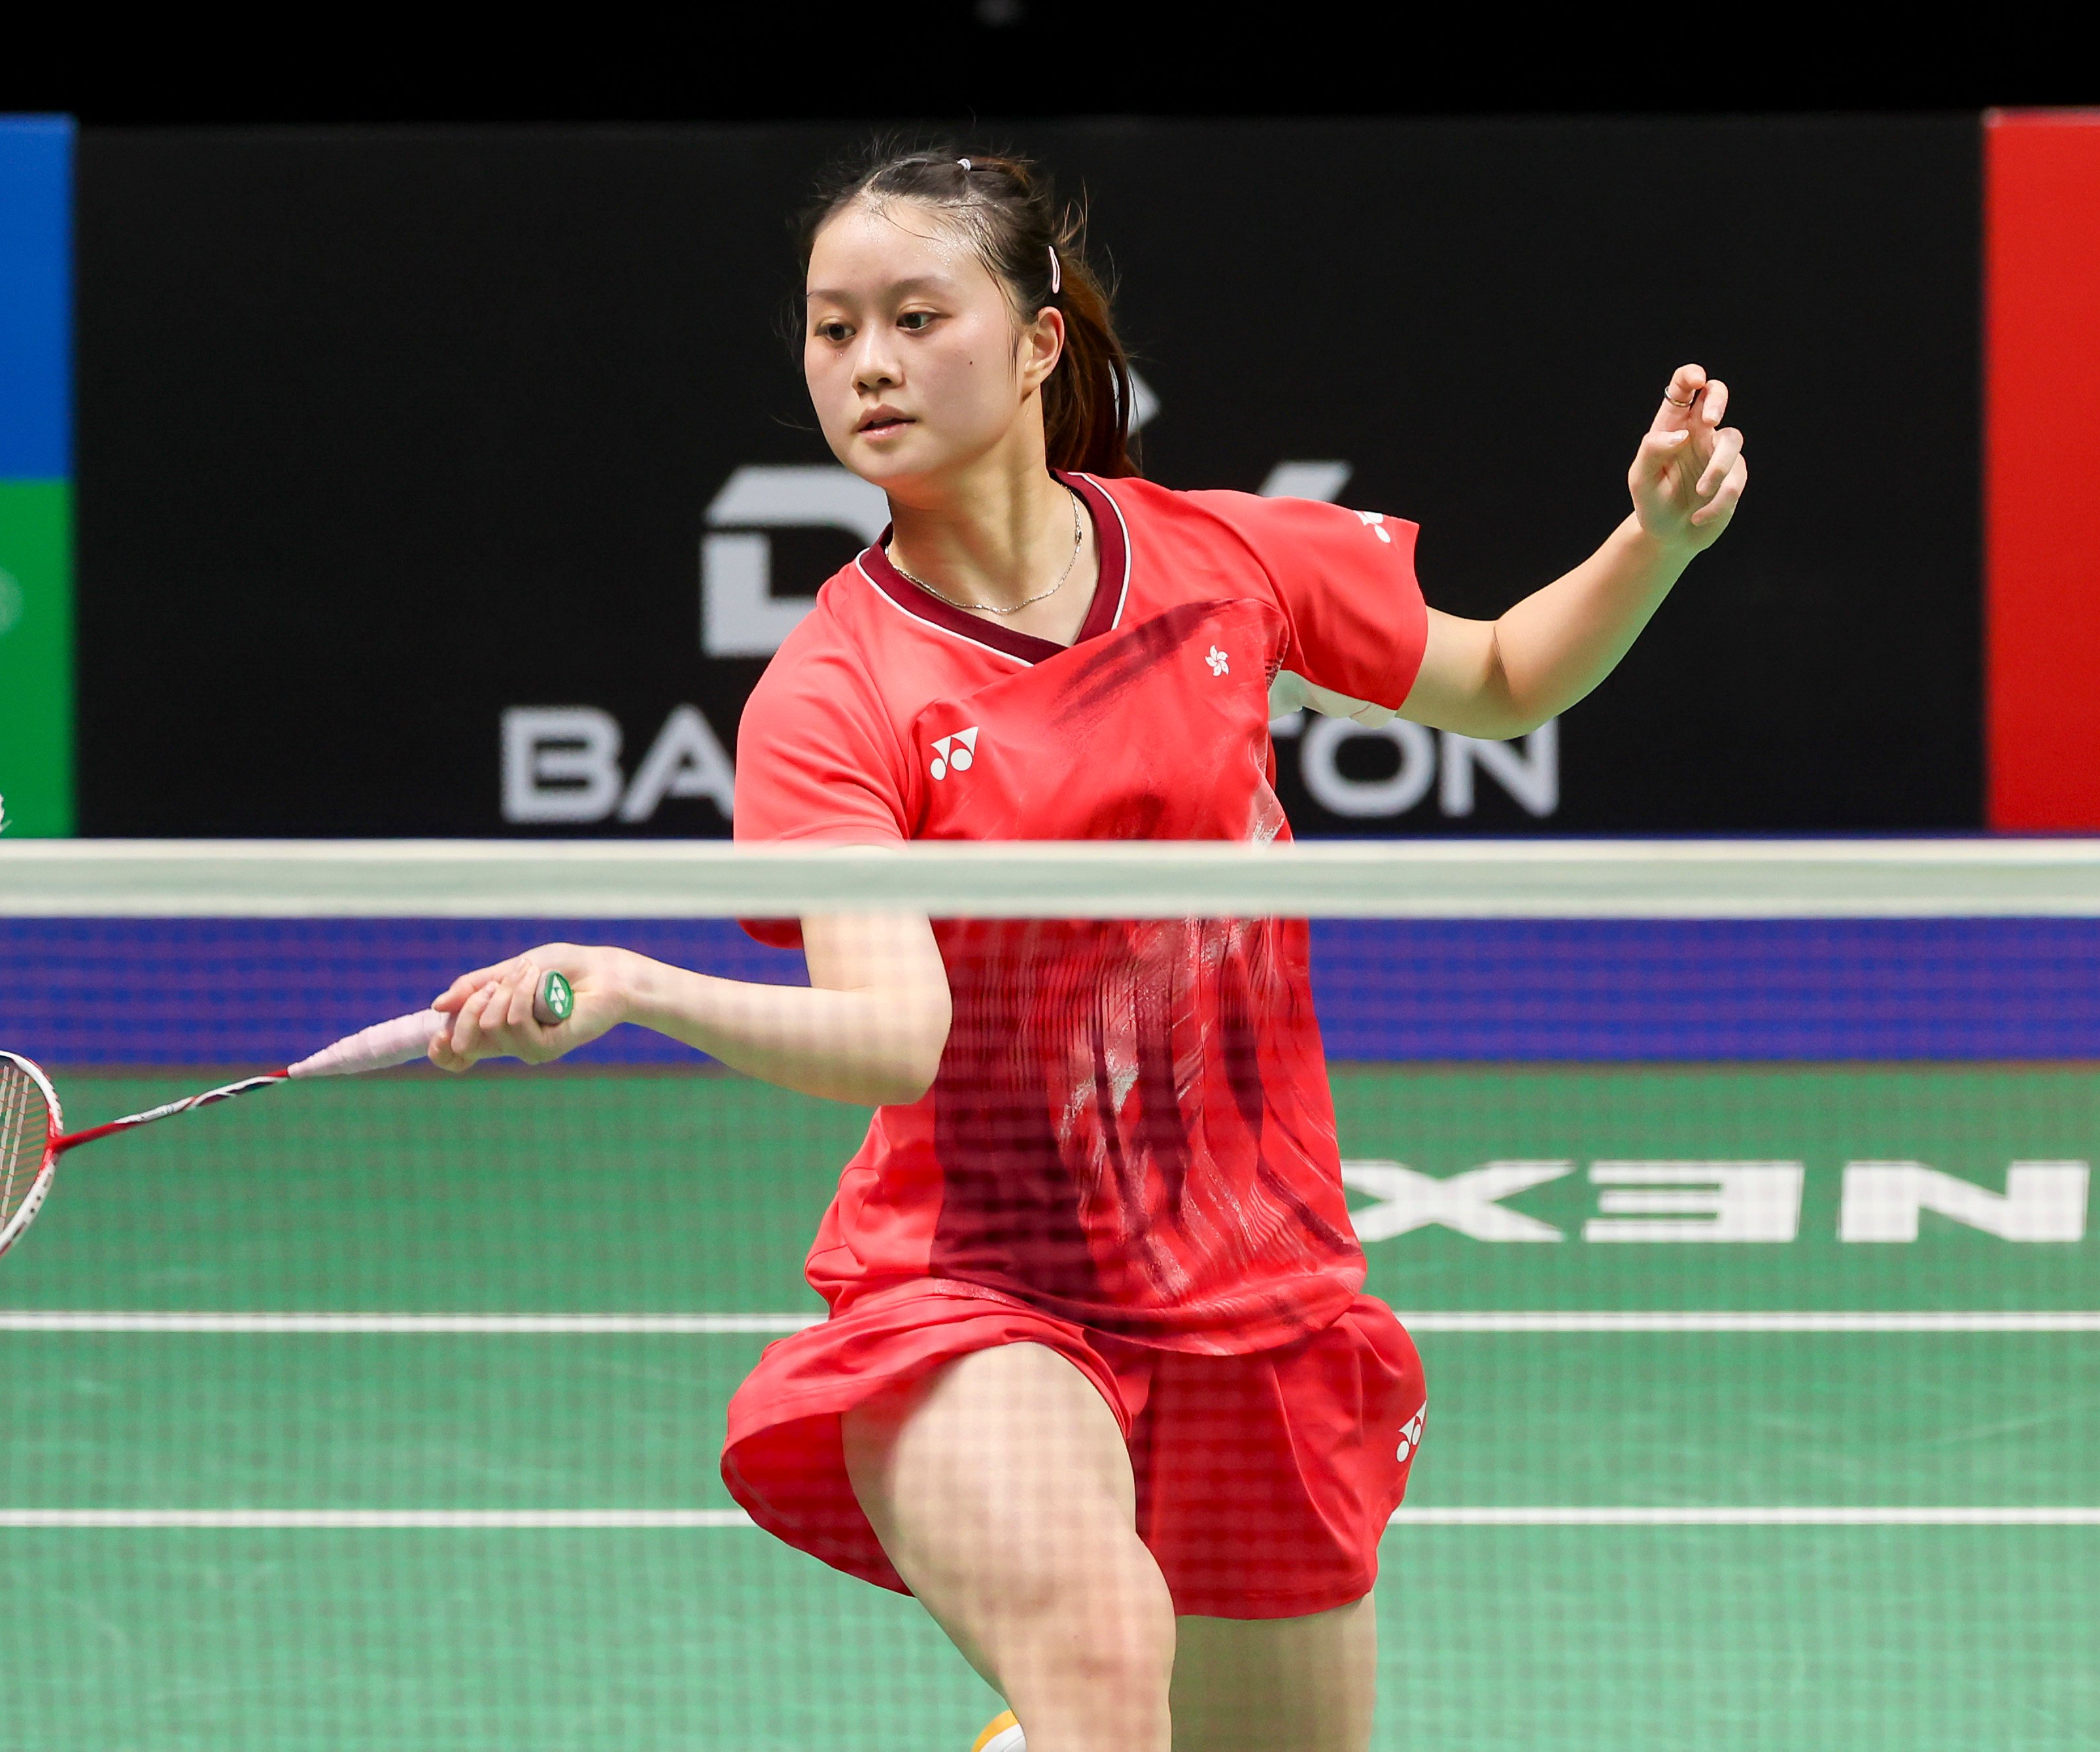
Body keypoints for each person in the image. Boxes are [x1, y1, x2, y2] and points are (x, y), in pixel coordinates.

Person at [428, 146, 1744, 1752]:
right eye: (832, 330)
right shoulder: (832, 695)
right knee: (1106, 1665)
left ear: (1040, 342)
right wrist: (634, 984)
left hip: (1255, 1281)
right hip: (979, 1283)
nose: (867, 364)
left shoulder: (1223, 561)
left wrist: (1651, 542)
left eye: (915, 317)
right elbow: (894, 1036)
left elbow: (1496, 679)